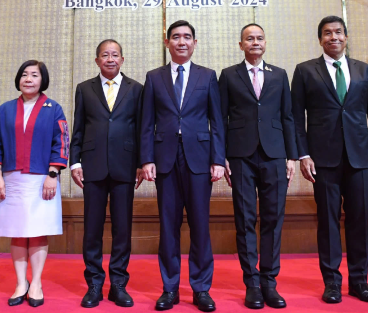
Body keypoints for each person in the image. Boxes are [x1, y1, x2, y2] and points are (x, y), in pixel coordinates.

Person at [290, 16, 368, 304]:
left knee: (359, 220)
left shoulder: (364, 71)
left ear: (346, 37)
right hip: (323, 160)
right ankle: (331, 281)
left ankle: (360, 281)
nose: (334, 37)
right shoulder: (305, 71)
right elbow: (296, 118)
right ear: (320, 39)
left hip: (359, 158)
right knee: (328, 222)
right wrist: (303, 154)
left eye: (339, 32)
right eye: (327, 33)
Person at [140, 20, 226, 312]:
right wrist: (146, 158)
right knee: (169, 226)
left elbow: (218, 123)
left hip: (200, 158)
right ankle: (170, 288)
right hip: (164, 159)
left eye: (187, 37)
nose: (181, 42)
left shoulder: (208, 76)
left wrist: (218, 159)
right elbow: (146, 123)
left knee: (200, 226)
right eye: (175, 37)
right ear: (167, 43)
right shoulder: (154, 77)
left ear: (194, 42)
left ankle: (201, 289)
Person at [218, 24, 298, 309]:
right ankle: (251, 283)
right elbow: (220, 118)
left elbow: (288, 117)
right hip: (240, 155)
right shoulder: (228, 75)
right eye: (249, 38)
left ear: (266, 43)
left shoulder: (279, 75)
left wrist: (292, 156)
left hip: (275, 154)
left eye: (260, 38)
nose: (255, 42)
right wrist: (222, 156)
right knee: (245, 218)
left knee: (274, 219)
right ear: (241, 45)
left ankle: (269, 282)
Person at [0, 60, 69, 307]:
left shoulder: (54, 109)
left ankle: (36, 283)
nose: (29, 79)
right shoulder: (6, 109)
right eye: (24, 74)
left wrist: (52, 175)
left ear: (43, 80)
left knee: (38, 232)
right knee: (18, 233)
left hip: (43, 180)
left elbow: (61, 143)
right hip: (12, 179)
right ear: (18, 79)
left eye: (34, 75)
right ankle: (21, 283)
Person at [70, 39, 144, 308]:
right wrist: (75, 163)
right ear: (97, 60)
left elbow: (142, 129)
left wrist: (141, 162)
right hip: (93, 165)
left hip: (126, 166)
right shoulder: (84, 89)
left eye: (115, 55)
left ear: (122, 60)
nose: (110, 59)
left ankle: (119, 285)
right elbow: (78, 127)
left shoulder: (137, 89)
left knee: (122, 229)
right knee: (92, 229)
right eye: (105, 55)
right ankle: (94, 284)